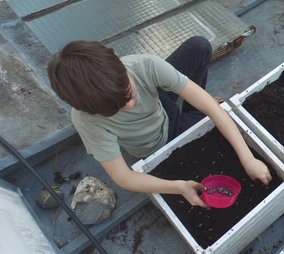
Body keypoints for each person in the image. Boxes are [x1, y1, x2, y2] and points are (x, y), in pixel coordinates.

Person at [47, 36, 271, 208]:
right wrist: (178, 187)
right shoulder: (86, 120)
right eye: (115, 108)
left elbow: (210, 107)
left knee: (199, 47)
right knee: (222, 115)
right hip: (160, 139)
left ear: (117, 58)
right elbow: (124, 177)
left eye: (128, 92)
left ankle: (192, 107)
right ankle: (192, 115)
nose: (129, 105)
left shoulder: (144, 66)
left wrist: (248, 159)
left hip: (161, 105)